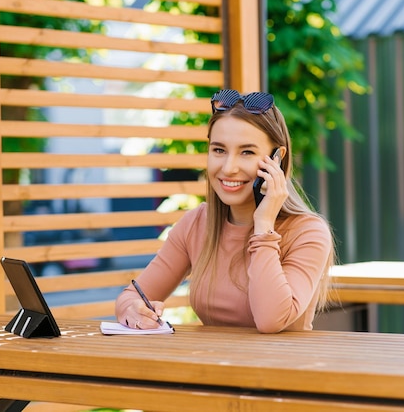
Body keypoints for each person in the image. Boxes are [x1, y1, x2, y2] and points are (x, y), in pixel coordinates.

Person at [115, 89, 334, 333]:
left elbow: (271, 320)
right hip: (211, 367)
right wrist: (132, 309)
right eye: (219, 150)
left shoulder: (308, 232)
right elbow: (131, 297)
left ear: (277, 159)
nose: (229, 168)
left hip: (281, 369)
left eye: (247, 152)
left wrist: (263, 227)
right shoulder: (197, 223)